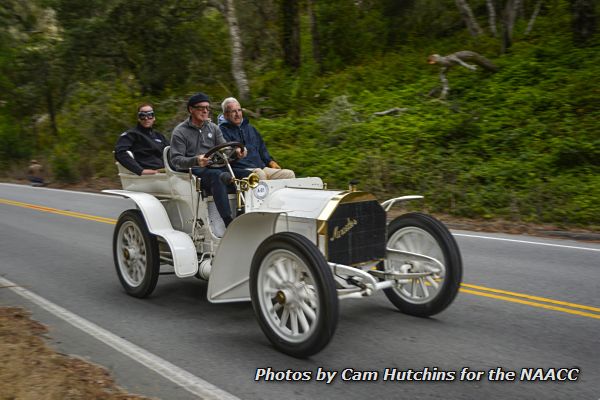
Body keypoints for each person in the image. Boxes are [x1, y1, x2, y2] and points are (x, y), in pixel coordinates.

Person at [170, 92, 247, 227]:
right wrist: (196, 160)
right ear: (191, 109)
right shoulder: (180, 132)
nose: (205, 111)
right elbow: (176, 160)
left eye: (207, 108)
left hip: (216, 166)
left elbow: (225, 150)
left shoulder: (213, 128)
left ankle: (244, 214)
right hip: (195, 172)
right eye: (201, 108)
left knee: (248, 175)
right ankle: (228, 222)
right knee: (218, 176)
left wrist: (237, 152)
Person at [218, 97, 295, 180]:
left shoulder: (250, 128)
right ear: (225, 114)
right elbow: (227, 156)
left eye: (239, 110)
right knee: (260, 175)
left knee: (289, 174)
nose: (238, 114)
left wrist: (270, 161)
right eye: (233, 111)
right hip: (241, 169)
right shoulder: (220, 131)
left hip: (260, 167)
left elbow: (262, 148)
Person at [115, 103, 168, 175]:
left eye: (150, 115)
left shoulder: (159, 136)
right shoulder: (131, 134)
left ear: (154, 117)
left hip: (165, 172)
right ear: (138, 118)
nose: (146, 118)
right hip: (147, 175)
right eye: (142, 115)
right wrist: (140, 170)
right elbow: (119, 152)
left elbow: (171, 153)